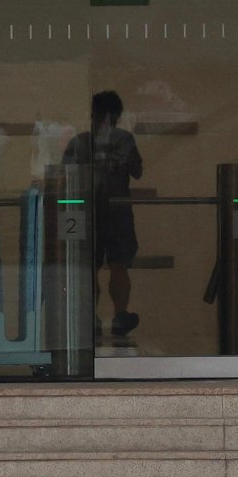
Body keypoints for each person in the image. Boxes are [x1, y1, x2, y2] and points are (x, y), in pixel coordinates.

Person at [54, 90, 145, 348]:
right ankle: (119, 315)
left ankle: (91, 317)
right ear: (117, 115)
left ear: (92, 114)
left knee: (88, 265)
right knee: (118, 264)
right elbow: (138, 171)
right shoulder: (124, 140)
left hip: (84, 211)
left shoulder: (80, 142)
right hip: (117, 211)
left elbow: (63, 177)